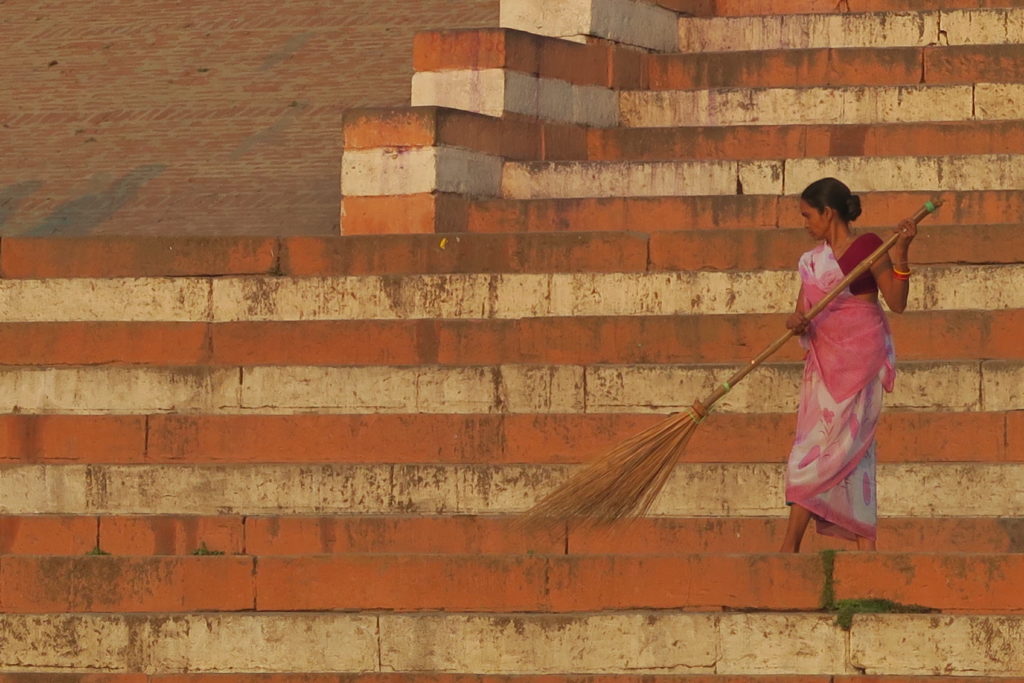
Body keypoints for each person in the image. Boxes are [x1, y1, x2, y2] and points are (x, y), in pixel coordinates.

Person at [779, 177, 917, 553]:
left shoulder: (870, 247)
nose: (804, 223)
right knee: (812, 453)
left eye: (808, 215)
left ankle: (792, 548)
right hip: (824, 369)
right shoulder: (810, 262)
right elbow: (801, 312)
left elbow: (897, 301)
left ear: (829, 212)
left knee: (848, 453)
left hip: (861, 366)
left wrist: (901, 252)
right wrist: (797, 323)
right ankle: (849, 551)